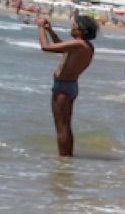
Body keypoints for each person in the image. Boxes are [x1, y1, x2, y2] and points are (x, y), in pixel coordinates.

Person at [38, 13, 95, 157]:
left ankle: (63, 159)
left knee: (61, 127)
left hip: (63, 87)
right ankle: (67, 157)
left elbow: (46, 47)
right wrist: (50, 31)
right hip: (70, 85)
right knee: (66, 126)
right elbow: (62, 48)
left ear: (81, 30)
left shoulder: (78, 44)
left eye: (74, 25)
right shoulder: (85, 46)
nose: (72, 26)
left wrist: (40, 28)